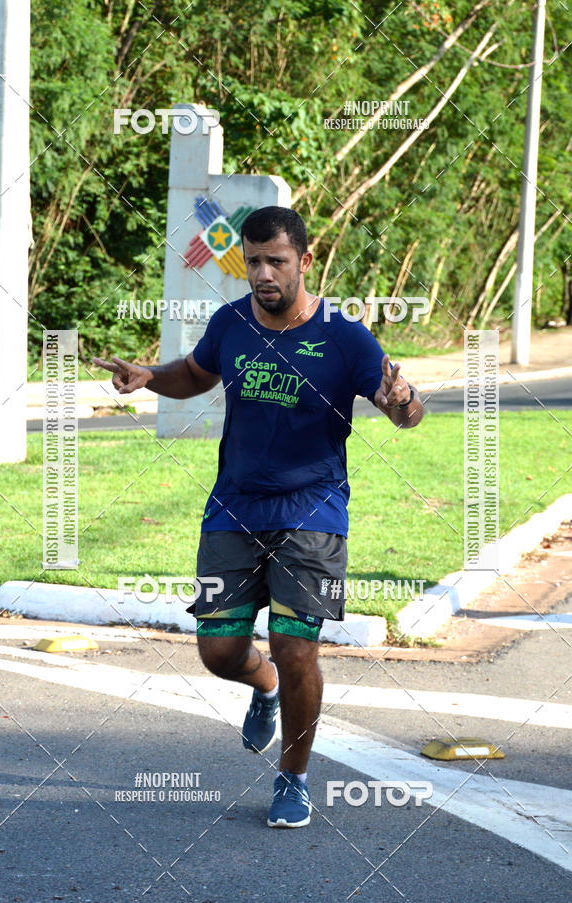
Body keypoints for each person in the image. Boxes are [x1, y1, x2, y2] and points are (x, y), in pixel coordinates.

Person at [94, 206, 424, 829]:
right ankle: (263, 685)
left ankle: (294, 778)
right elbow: (195, 374)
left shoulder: (345, 334)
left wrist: (401, 402)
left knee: (296, 648)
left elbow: (406, 410)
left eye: (276, 260)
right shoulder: (231, 323)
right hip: (234, 506)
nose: (263, 273)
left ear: (304, 259)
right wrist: (149, 377)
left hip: (313, 509)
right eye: (253, 261)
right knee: (218, 652)